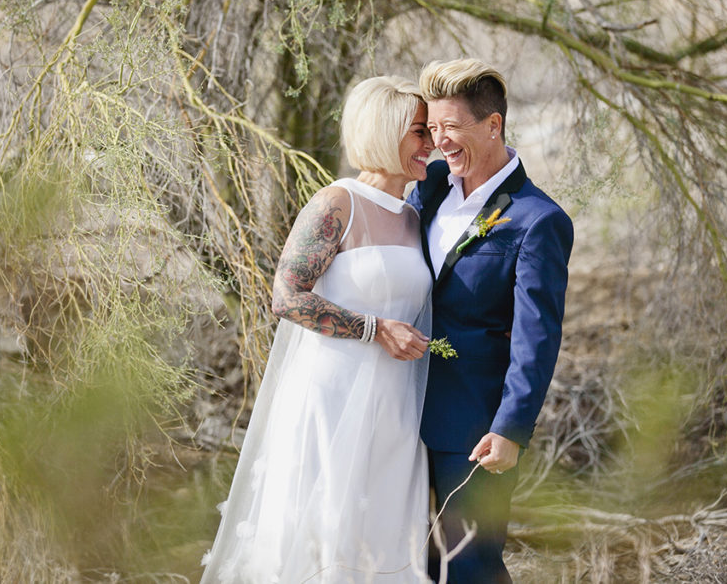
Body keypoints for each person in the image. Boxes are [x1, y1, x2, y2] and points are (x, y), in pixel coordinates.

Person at [201, 76, 436, 583]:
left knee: (380, 547)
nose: (431, 144)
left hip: (394, 411)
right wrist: (374, 329)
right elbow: (286, 296)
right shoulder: (338, 203)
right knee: (321, 545)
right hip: (331, 402)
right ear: (384, 131)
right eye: (420, 132)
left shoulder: (414, 217)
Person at [408, 59, 573, 583]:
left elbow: (536, 337)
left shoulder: (537, 220)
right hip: (399, 410)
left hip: (472, 426)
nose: (439, 142)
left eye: (451, 127)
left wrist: (510, 429)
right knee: (405, 560)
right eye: (432, 128)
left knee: (469, 565)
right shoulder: (431, 185)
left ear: (493, 125)